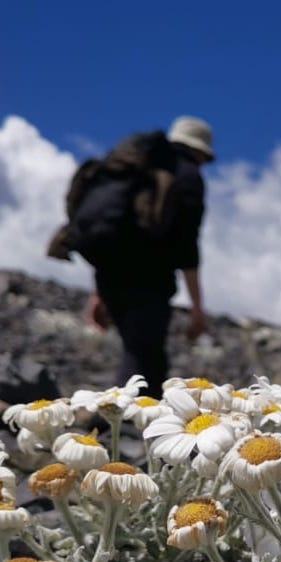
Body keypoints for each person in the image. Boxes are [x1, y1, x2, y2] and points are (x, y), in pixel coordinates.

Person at [84, 116, 213, 398]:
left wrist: (98, 293)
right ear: (199, 151)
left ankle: (122, 415)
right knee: (145, 358)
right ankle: (125, 418)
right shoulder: (188, 176)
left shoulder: (139, 165)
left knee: (137, 350)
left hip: (109, 274)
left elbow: (114, 230)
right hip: (150, 280)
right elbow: (187, 246)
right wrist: (197, 308)